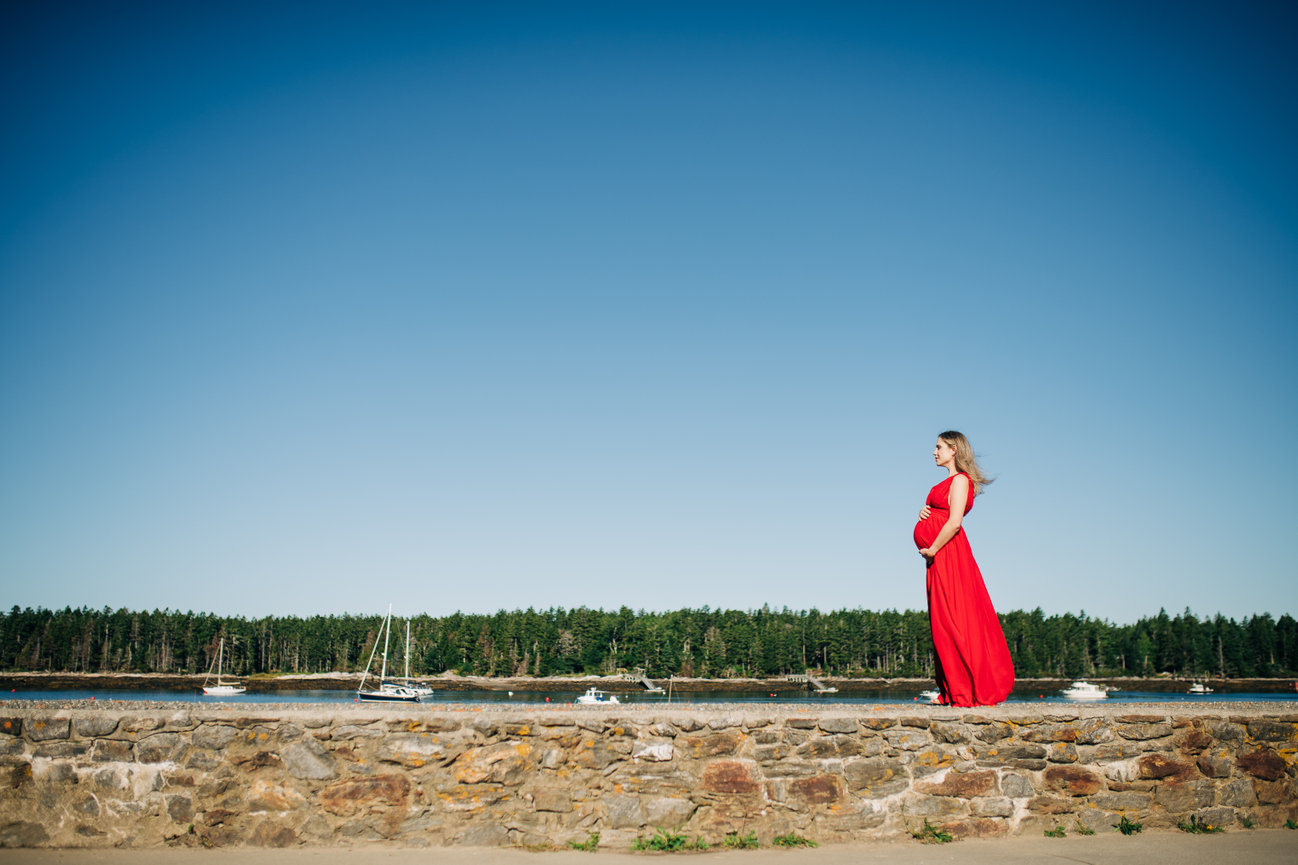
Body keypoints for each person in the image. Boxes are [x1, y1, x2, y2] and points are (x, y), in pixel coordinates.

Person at [913, 431, 1014, 706]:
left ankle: (964, 691)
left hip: (948, 555)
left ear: (953, 449)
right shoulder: (946, 483)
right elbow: (943, 514)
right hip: (937, 559)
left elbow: (955, 522)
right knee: (941, 623)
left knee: (954, 620)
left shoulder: (960, 480)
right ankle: (951, 689)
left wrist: (933, 548)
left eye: (938, 447)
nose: (934, 452)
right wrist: (925, 512)